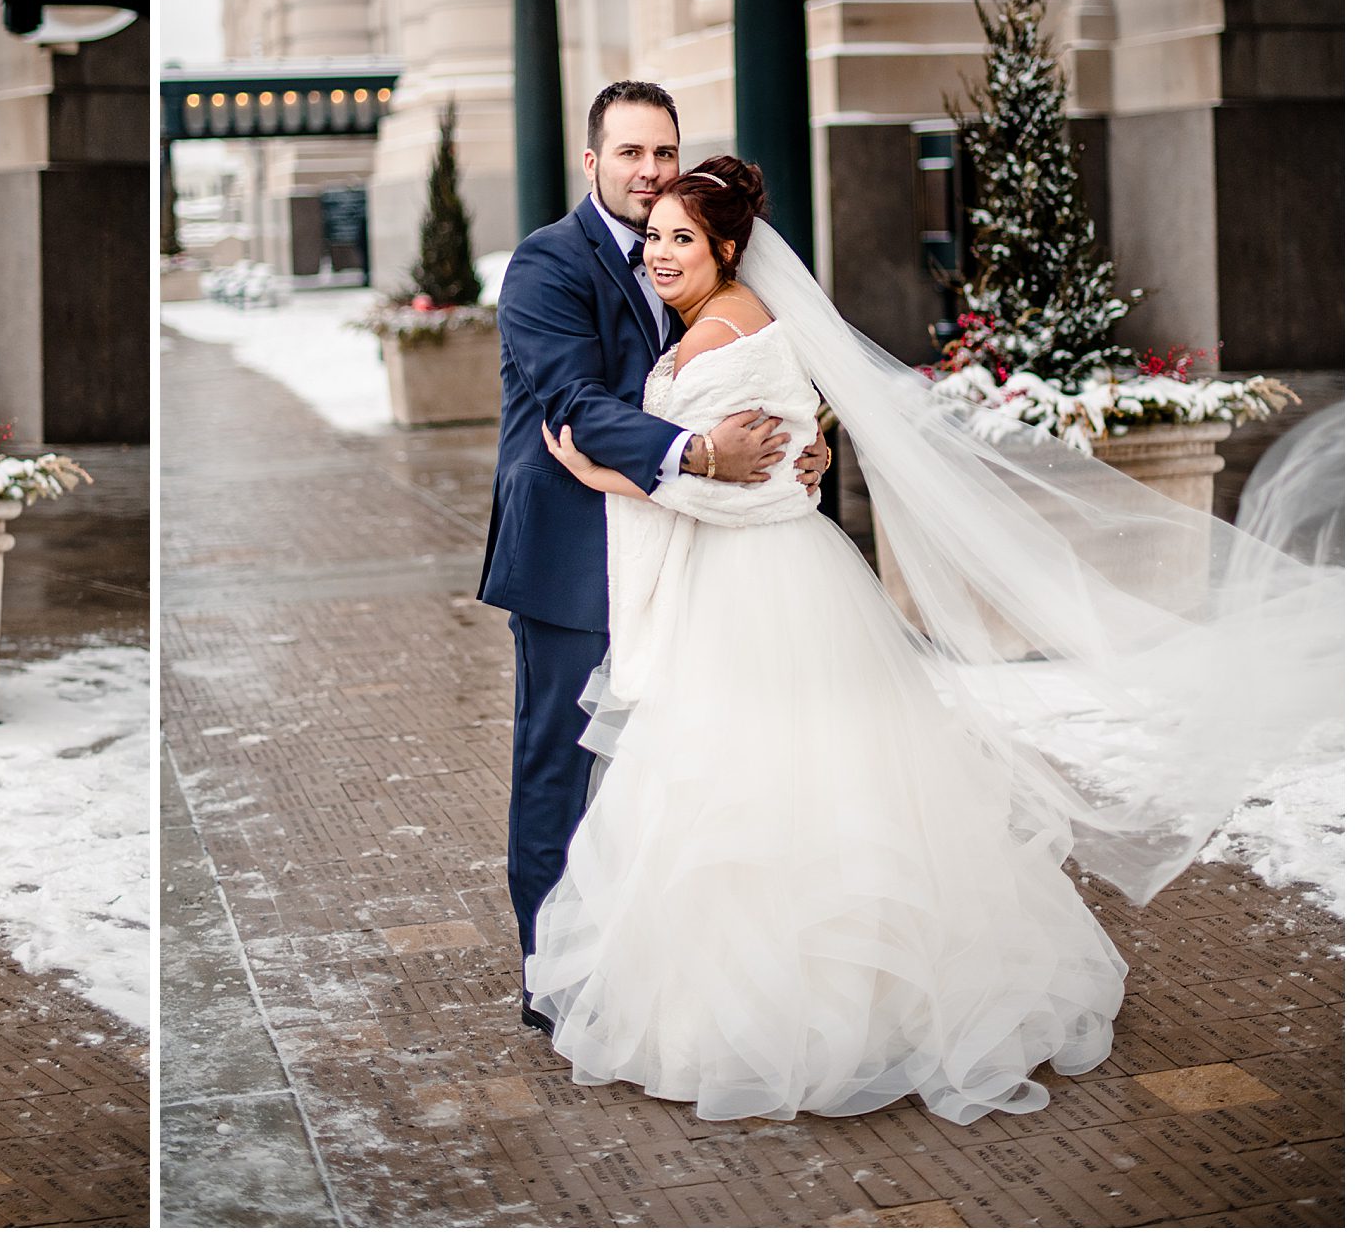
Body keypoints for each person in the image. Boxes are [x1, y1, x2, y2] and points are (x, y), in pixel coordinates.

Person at [531, 157, 1342, 1122]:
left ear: (728, 249)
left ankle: (786, 1019)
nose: (660, 255)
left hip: (754, 592)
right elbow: (789, 453)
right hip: (783, 581)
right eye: (655, 236)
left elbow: (731, 490)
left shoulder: (719, 341)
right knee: (815, 787)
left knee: (753, 793)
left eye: (680, 238)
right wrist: (792, 446)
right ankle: (823, 999)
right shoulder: (747, 319)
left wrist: (603, 473)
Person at [475, 82, 826, 1031]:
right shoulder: (547, 265)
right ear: (592, 162)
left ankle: (653, 955)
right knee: (559, 760)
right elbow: (576, 405)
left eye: (663, 153)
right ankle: (556, 978)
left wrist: (803, 436)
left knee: (666, 761)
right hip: (571, 550)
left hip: (681, 548)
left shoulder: (691, 244)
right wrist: (701, 454)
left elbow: (754, 361)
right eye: (630, 154)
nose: (650, 172)